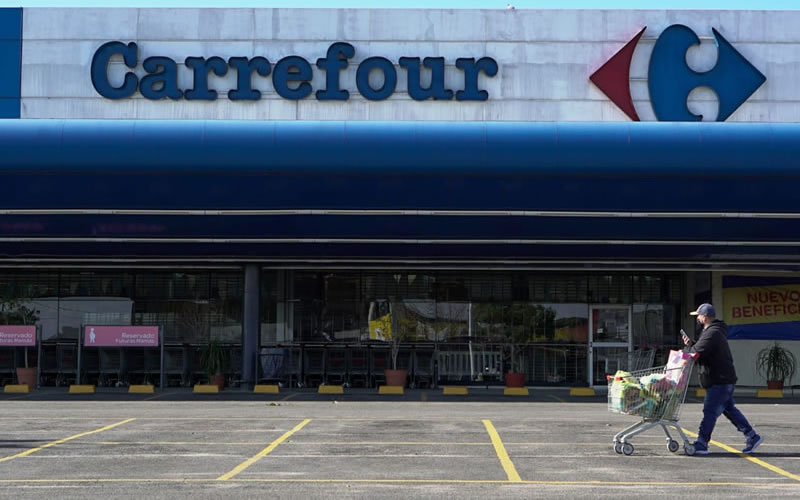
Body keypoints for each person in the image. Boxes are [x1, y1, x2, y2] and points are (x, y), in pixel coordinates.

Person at [682, 303, 762, 455]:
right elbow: (701, 349)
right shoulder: (712, 331)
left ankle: (702, 443)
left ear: (705, 317)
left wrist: (685, 352)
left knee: (710, 411)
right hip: (722, 379)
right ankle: (752, 436)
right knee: (729, 410)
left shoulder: (713, 332)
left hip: (720, 380)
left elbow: (697, 352)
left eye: (698, 316)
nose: (697, 318)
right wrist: (691, 345)